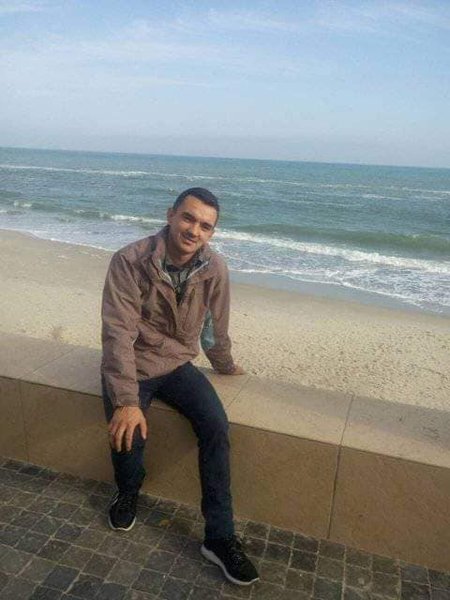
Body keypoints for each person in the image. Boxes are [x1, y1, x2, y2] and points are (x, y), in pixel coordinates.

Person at [101, 187, 259, 586]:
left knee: (216, 427)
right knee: (128, 432)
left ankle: (219, 537)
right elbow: (117, 334)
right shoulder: (130, 260)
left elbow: (215, 328)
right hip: (133, 364)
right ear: (170, 215)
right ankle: (128, 490)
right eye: (188, 218)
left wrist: (225, 365)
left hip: (175, 364)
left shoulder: (214, 268)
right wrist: (125, 399)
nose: (194, 230)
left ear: (212, 232)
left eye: (205, 225)